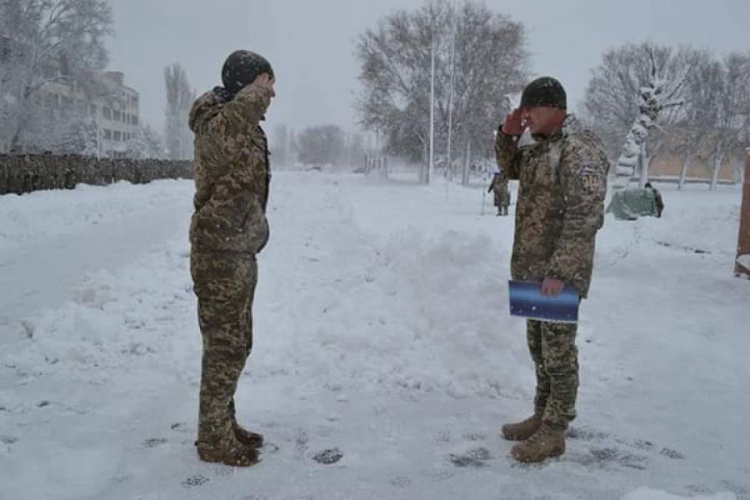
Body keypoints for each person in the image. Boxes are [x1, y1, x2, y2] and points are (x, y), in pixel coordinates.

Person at [495, 77, 609, 463]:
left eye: (531, 110)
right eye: (523, 111)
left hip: (557, 273)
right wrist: (507, 136)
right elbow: (510, 169)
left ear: (555, 108)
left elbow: (585, 214)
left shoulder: (579, 148)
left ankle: (555, 430)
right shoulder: (540, 146)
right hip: (531, 268)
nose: (525, 116)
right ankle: (542, 415)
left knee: (558, 354)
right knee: (539, 349)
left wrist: (561, 269)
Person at [188, 50, 276, 467]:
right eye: (264, 83)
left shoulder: (244, 121)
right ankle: (212, 438)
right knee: (224, 345)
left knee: (238, 343)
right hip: (219, 250)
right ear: (246, 85)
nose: (271, 92)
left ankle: (224, 421)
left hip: (238, 247)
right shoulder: (215, 120)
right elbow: (218, 148)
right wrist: (251, 98)